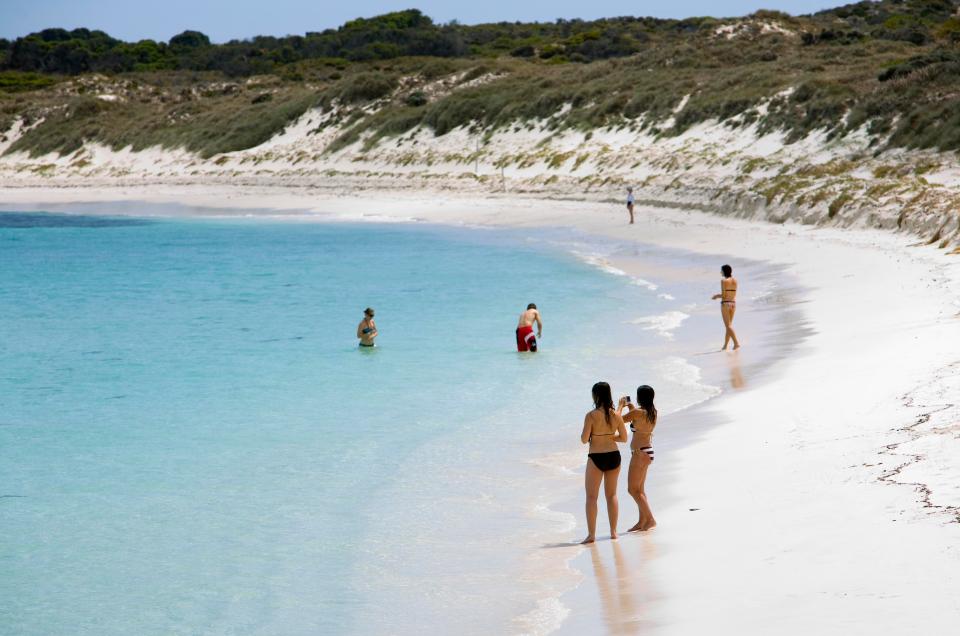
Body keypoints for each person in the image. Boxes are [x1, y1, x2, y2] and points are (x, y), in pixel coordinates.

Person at [579, 382, 628, 544]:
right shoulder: (616, 415)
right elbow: (623, 438)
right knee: (612, 495)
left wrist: (597, 436)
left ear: (596, 396)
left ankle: (591, 535)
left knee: (592, 497)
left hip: (596, 457)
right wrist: (608, 436)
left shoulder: (591, 415)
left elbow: (584, 440)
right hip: (614, 456)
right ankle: (614, 532)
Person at [619, 385, 658, 532]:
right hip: (648, 451)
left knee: (632, 490)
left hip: (640, 452)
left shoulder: (638, 413)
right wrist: (630, 407)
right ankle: (642, 521)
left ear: (639, 397)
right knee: (640, 489)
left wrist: (621, 406)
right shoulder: (652, 412)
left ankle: (651, 519)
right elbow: (637, 421)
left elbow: (619, 420)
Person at [711, 264, 740, 350]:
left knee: (728, 326)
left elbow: (724, 295)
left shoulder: (723, 281)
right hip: (733, 304)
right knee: (729, 325)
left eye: (721, 271)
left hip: (726, 304)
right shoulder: (735, 281)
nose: (720, 272)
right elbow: (733, 294)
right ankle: (725, 346)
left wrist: (716, 296)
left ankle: (736, 343)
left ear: (724, 271)